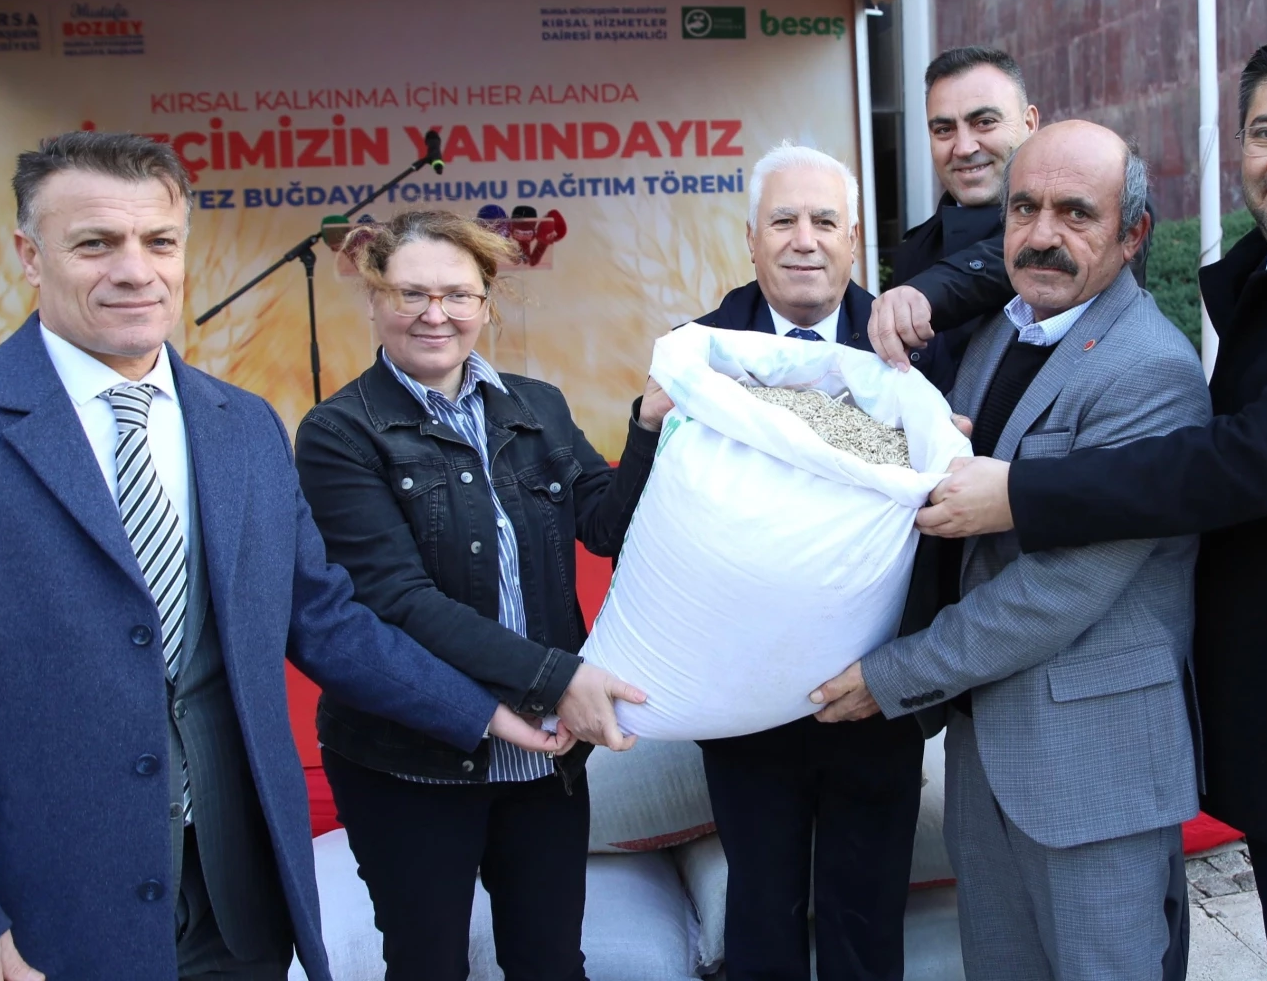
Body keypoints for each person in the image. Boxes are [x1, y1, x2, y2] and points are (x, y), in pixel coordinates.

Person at [891, 34, 1267, 981]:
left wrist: (1018, 492)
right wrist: (931, 289)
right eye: (1265, 132)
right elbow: (1051, 248)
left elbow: (1247, 462)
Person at [0, 133, 565, 981]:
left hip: (237, 905)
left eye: (158, 241)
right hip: (34, 913)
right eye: (95, 243)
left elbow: (325, 620)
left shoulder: (243, 424)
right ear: (30, 256)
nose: (135, 271)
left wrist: (485, 711)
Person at [811, 120, 1209, 979]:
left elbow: (1059, 589)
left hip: (1094, 767)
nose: (1041, 234)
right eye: (1024, 208)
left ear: (1132, 234)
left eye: (1076, 213)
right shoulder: (1002, 331)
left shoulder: (1149, 369)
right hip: (988, 746)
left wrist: (893, 674)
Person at [293, 210, 669, 981]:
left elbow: (604, 527)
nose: (435, 315)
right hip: (408, 762)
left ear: (487, 304)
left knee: (550, 963)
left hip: (545, 761)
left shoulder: (537, 406)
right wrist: (558, 680)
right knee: (428, 966)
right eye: (412, 294)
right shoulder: (339, 432)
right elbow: (398, 599)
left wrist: (645, 428)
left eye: (457, 295)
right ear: (375, 300)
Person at [688, 142, 928, 981]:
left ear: (853, 240)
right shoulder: (694, 356)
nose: (804, 240)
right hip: (746, 697)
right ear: (750, 239)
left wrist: (910, 678)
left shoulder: (914, 352)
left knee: (867, 917)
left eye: (824, 221)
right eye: (782, 220)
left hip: (876, 692)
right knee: (761, 911)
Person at [886, 46, 1039, 385]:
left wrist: (929, 290)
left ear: (1029, 124)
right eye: (944, 130)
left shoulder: (1088, 216)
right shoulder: (914, 251)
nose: (964, 147)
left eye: (984, 122)